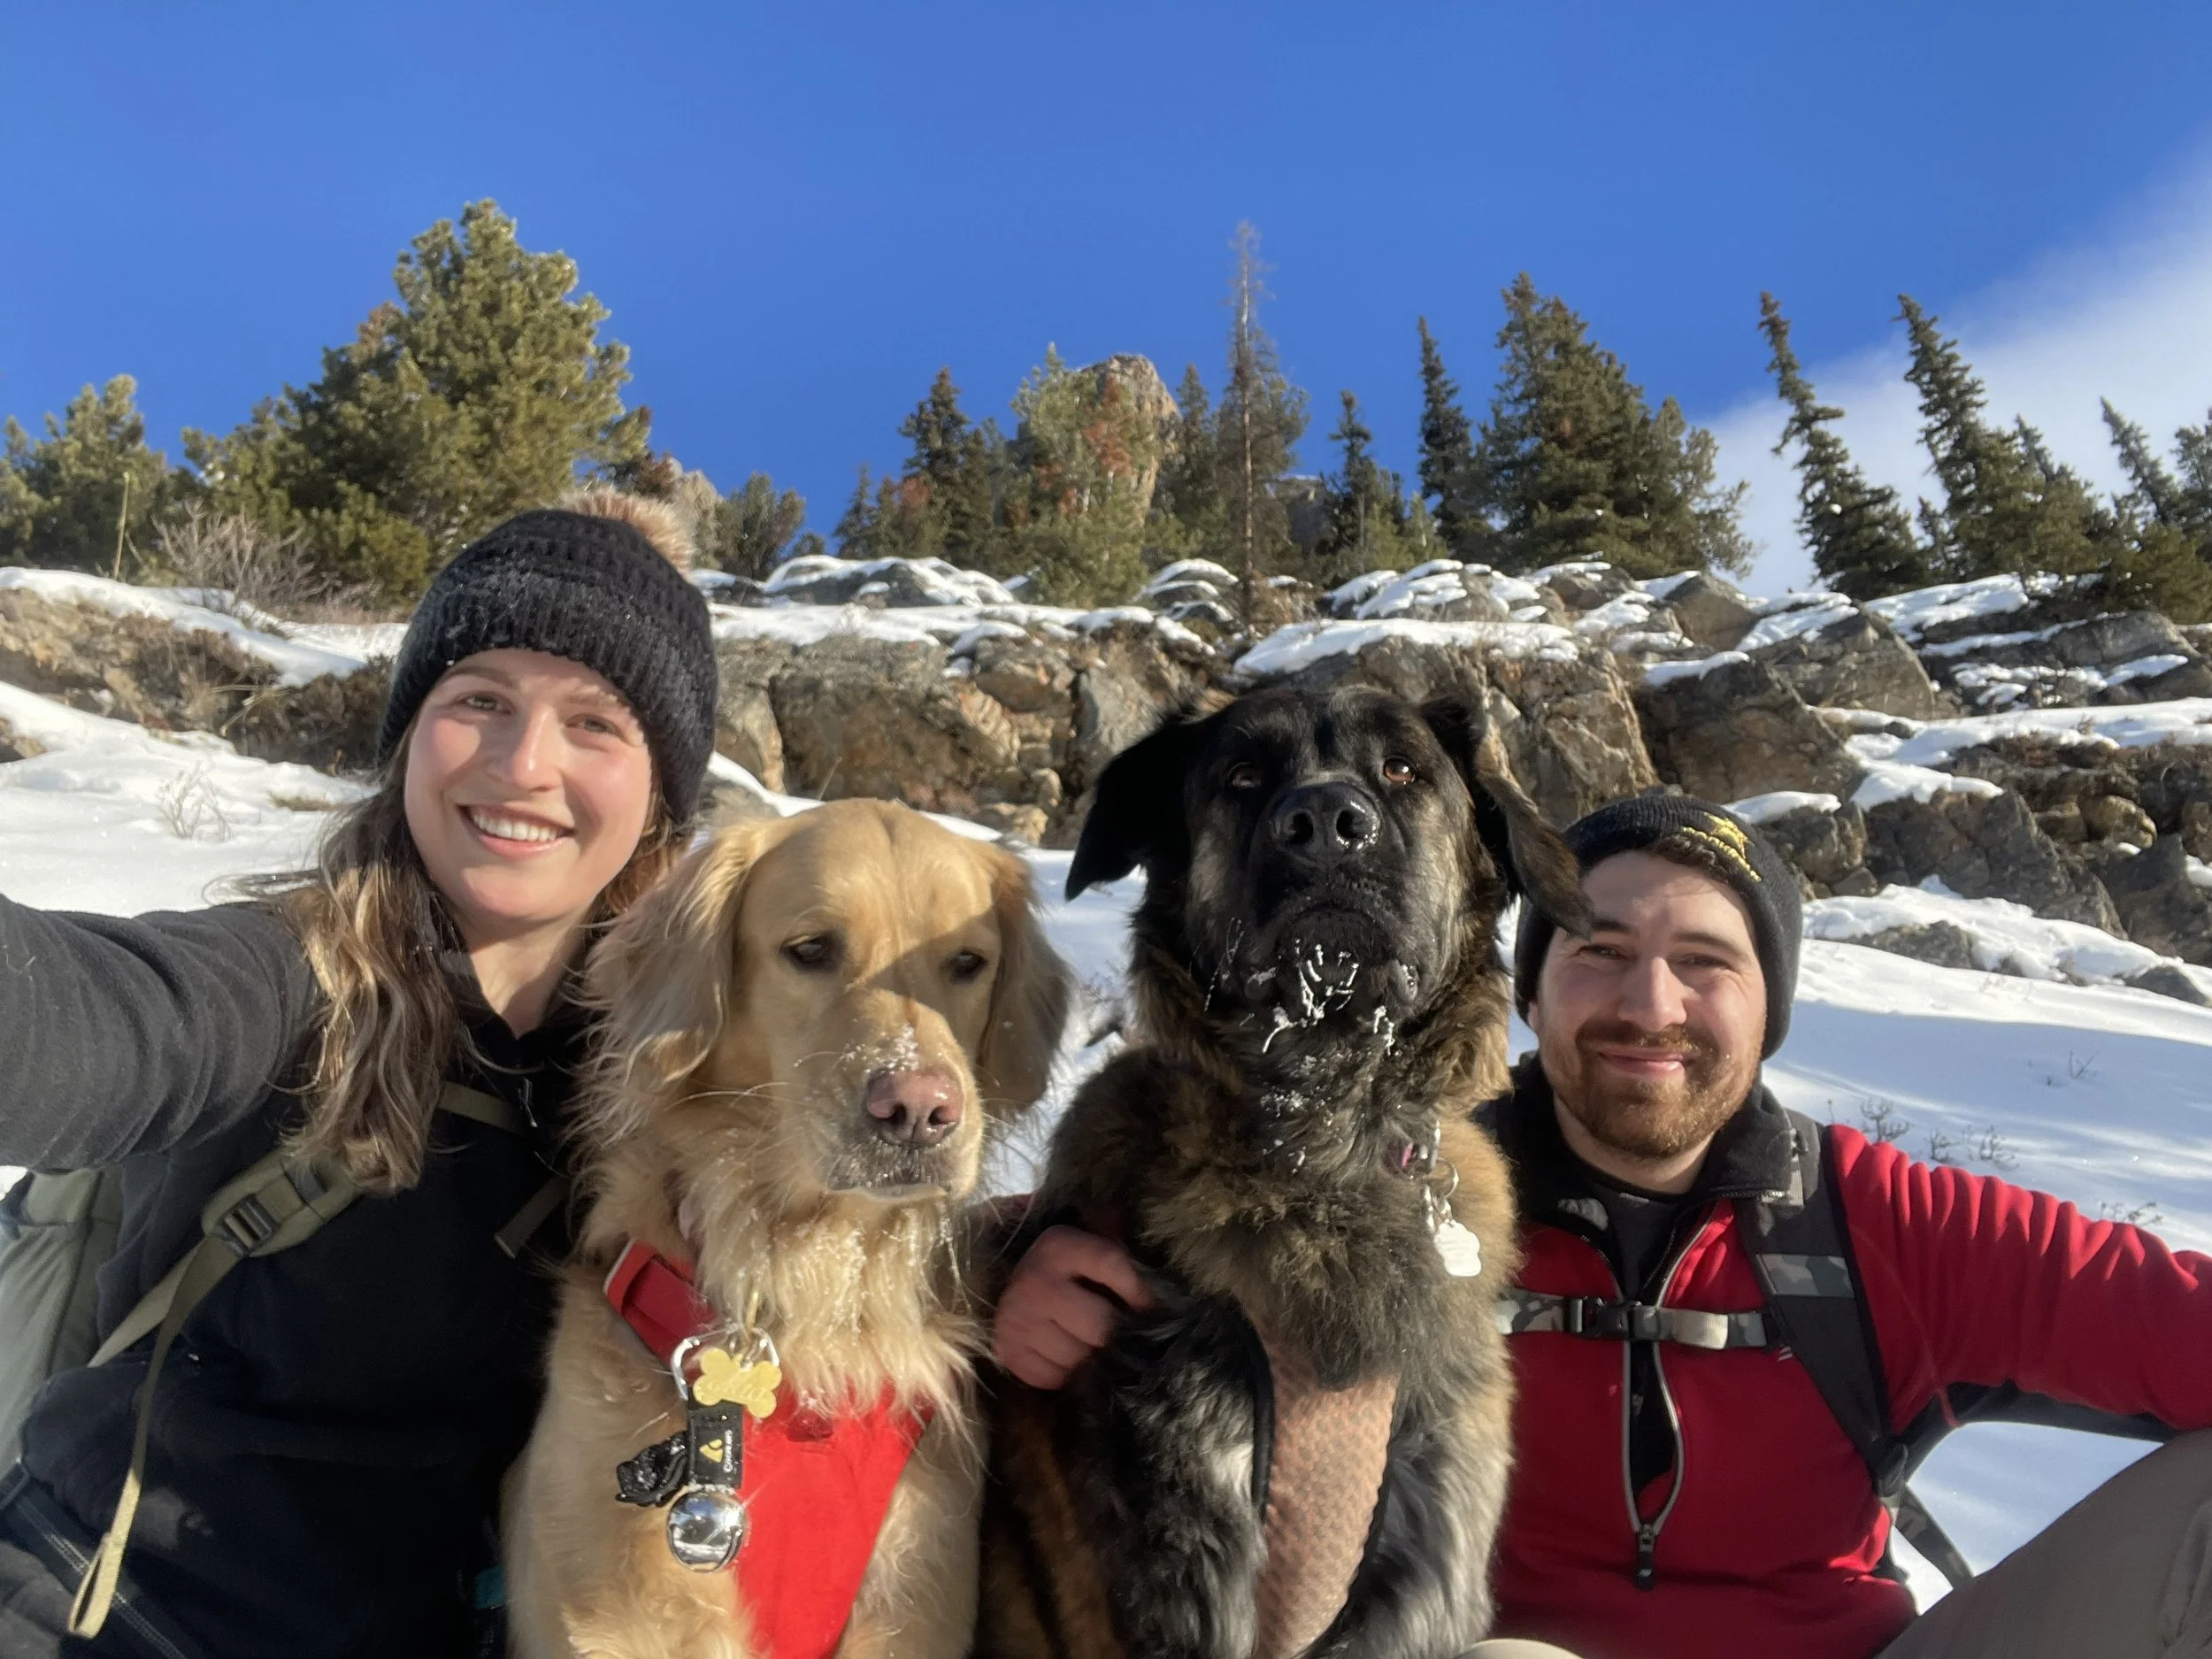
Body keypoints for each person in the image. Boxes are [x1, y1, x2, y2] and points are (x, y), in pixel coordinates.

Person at [995, 795, 2212, 1659]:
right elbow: (1131, 1207)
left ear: (1769, 1008)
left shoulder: (1872, 1218)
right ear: (1532, 992)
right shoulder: (1408, 1181)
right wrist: (1002, 1263)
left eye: (1705, 961)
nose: (1651, 1004)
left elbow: (2178, 1319)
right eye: (1603, 950)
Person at [0, 493, 718, 1659]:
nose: (524, 762)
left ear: (659, 796)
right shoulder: (286, 979)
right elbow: (82, 1016)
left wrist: (1026, 1272)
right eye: (479, 699)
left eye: (595, 722)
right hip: (116, 1611)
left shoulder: (672, 1078)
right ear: (408, 735)